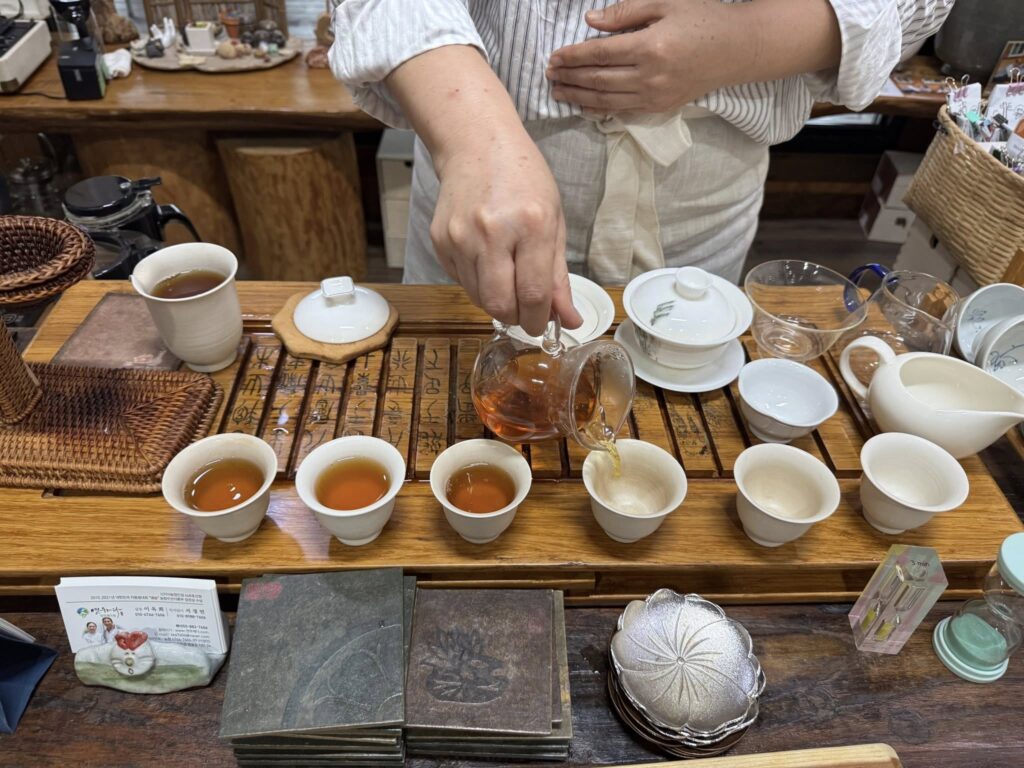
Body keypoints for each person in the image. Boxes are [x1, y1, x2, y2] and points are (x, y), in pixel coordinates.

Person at [330, 0, 953, 337]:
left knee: (660, 406)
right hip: (481, 162)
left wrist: (747, 40)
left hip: (704, 193)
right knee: (457, 396)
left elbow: (917, 6)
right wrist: (474, 139)